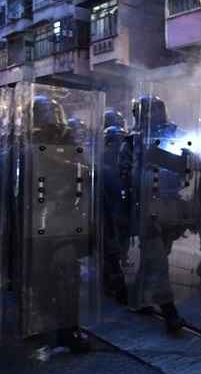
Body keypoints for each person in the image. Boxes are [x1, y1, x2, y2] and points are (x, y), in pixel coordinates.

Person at [12, 95, 92, 352]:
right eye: (41, 113)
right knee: (38, 279)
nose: (47, 119)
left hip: (64, 217)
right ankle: (44, 326)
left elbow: (87, 172)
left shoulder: (69, 139)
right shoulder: (24, 143)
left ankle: (69, 330)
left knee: (68, 274)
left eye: (49, 112)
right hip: (33, 218)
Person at [119, 95, 187, 333]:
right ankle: (170, 311)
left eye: (158, 109)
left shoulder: (175, 134)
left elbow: (190, 165)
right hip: (146, 207)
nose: (155, 115)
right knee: (158, 261)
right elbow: (124, 179)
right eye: (150, 111)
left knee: (157, 257)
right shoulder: (131, 142)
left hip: (170, 205)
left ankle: (138, 299)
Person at [101, 110, 128, 304]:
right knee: (111, 253)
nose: (120, 145)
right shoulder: (102, 164)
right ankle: (115, 286)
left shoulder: (121, 162)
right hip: (107, 215)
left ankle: (113, 283)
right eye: (116, 141)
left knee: (117, 251)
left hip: (120, 212)